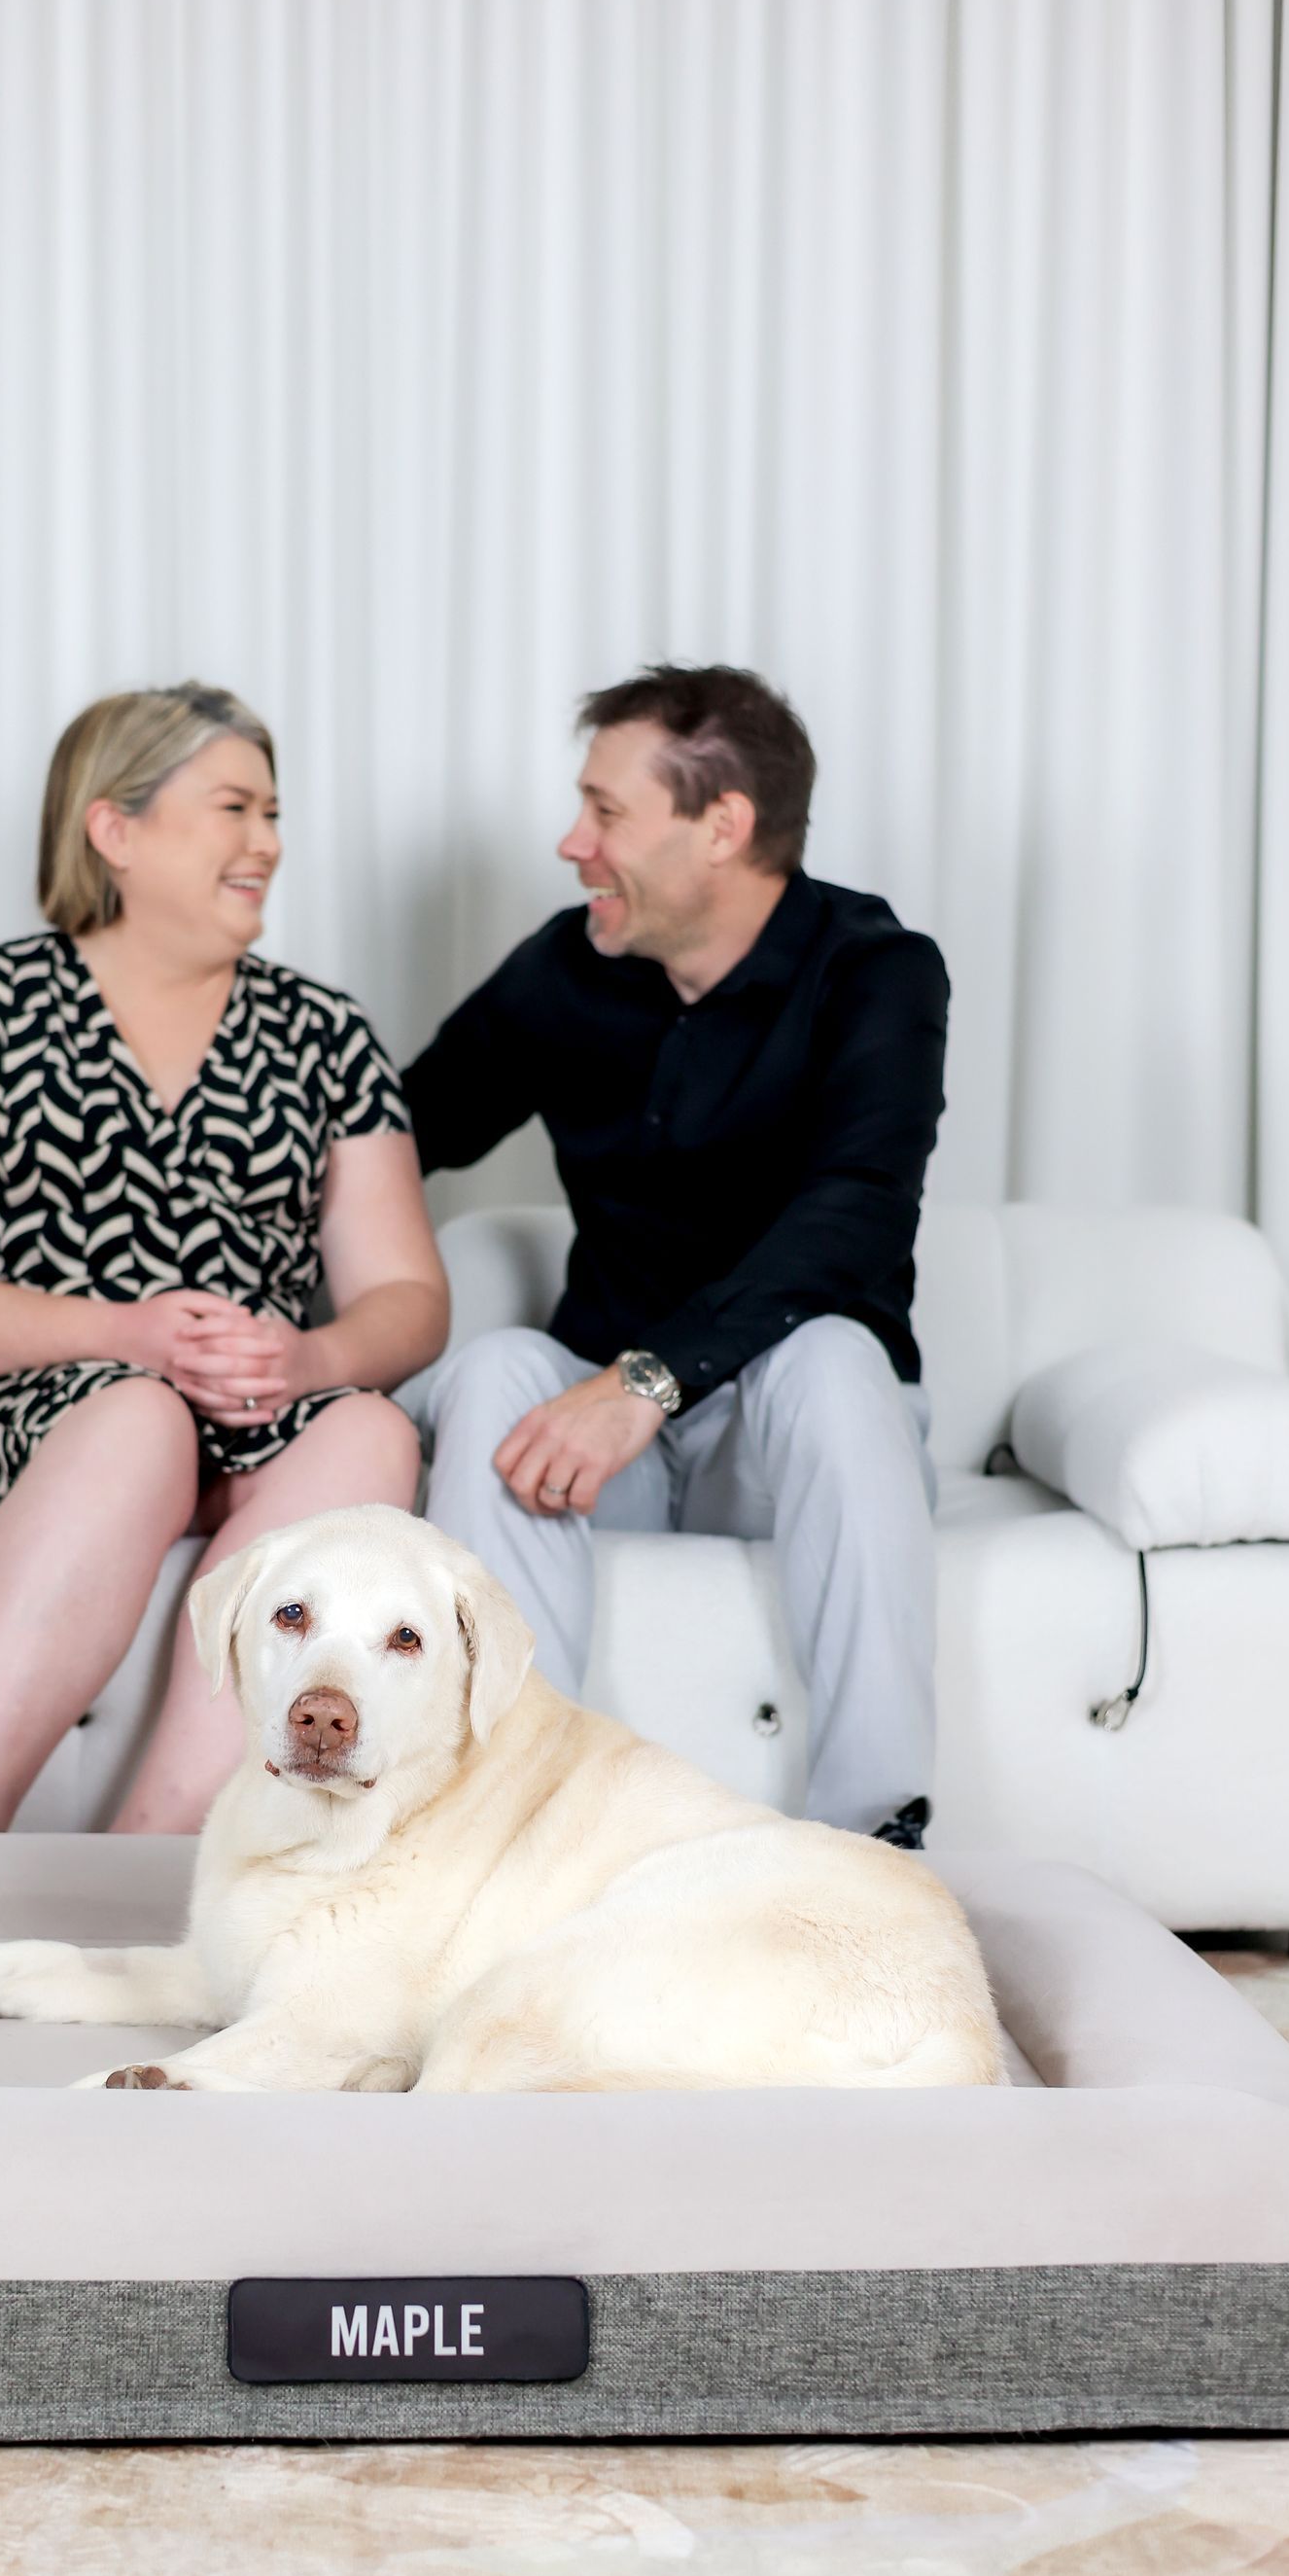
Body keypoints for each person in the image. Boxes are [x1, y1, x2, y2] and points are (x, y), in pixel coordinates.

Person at [0, 682, 445, 1835]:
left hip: (245, 1419)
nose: (268, 843)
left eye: (274, 814)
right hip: (21, 1413)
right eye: (235, 808)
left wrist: (307, 1353)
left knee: (375, 1427)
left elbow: (410, 1300)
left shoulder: (327, 1032)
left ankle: (146, 1864)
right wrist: (121, 1335)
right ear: (114, 828)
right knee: (139, 1418)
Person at [402, 664, 946, 1847]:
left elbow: (855, 1217)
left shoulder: (874, 972)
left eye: (605, 812)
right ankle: (496, 1833)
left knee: (837, 1357)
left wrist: (646, 1381)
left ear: (723, 826)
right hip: (613, 1457)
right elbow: (399, 1133)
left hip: (780, 1439)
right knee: (495, 1367)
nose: (571, 841)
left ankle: (876, 1842)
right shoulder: (567, 968)